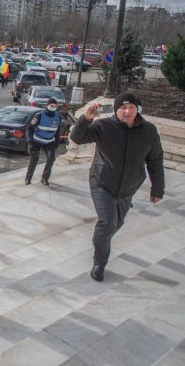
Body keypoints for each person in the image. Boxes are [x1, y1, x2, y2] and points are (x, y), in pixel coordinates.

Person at [70, 93, 164, 282]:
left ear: (138, 109)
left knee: (116, 224)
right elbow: (77, 138)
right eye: (123, 107)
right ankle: (99, 263)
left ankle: (102, 240)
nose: (127, 111)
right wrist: (86, 118)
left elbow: (155, 161)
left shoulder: (149, 131)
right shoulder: (104, 126)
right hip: (102, 183)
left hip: (128, 187)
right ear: (116, 110)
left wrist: (157, 189)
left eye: (131, 108)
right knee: (107, 222)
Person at [25, 98, 61, 186]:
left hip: (49, 142)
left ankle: (44, 178)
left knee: (51, 158)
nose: (53, 107)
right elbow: (29, 129)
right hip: (37, 141)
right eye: (51, 106)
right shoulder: (39, 115)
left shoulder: (58, 116)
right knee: (34, 159)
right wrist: (30, 142)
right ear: (47, 106)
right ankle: (28, 179)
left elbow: (58, 131)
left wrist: (57, 142)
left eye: (55, 106)